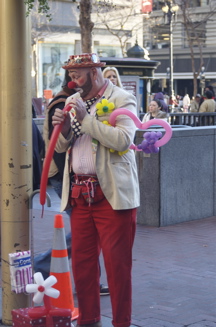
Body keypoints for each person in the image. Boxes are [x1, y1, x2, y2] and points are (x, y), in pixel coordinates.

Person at [52, 53, 140, 327]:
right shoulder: (71, 101)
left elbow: (124, 140)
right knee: (83, 265)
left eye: (77, 73)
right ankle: (88, 320)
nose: (72, 80)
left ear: (94, 71)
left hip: (111, 194)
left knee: (117, 267)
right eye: (70, 74)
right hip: (79, 195)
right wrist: (63, 129)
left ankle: (121, 322)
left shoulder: (121, 99)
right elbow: (60, 148)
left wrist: (86, 121)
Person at [34, 70, 109, 296]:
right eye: (78, 76)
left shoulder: (83, 101)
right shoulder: (62, 102)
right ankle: (41, 266)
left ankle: (89, 281)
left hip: (79, 178)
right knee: (83, 232)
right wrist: (68, 173)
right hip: (67, 177)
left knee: (88, 231)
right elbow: (59, 144)